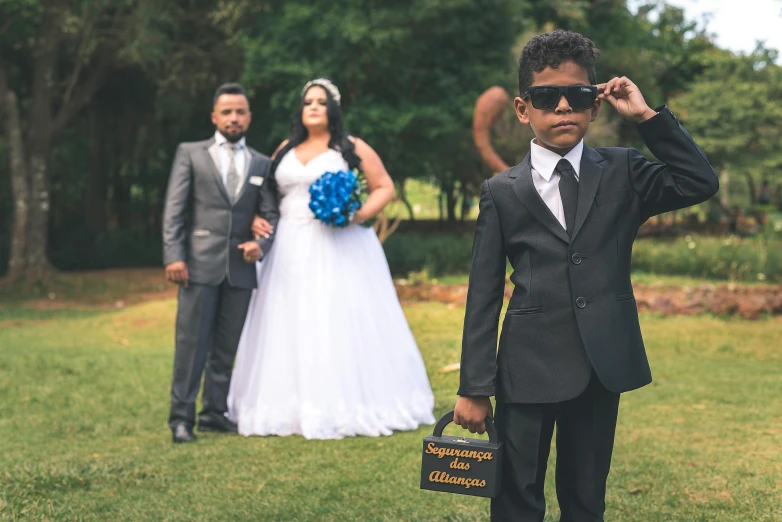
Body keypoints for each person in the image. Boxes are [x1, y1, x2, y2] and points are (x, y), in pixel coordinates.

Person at [453, 30, 719, 521]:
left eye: (576, 96)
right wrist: (474, 385)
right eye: (545, 97)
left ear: (594, 106)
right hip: (525, 369)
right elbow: (483, 294)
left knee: (585, 499)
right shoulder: (501, 191)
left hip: (601, 367)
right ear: (522, 108)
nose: (562, 108)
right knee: (516, 497)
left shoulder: (624, 172)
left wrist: (645, 117)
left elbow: (698, 181)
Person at [227, 78, 435, 439]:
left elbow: (384, 186)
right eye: (307, 102)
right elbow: (268, 197)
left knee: (334, 315)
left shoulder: (350, 147)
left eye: (321, 102)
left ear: (332, 109)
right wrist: (258, 220)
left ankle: (345, 401)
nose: (313, 107)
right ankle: (286, 405)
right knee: (285, 319)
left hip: (338, 246)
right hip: (288, 245)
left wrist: (354, 214)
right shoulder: (285, 148)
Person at [162, 83, 279, 443]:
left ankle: (214, 413)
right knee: (191, 345)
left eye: (240, 111)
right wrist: (174, 256)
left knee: (226, 348)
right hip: (197, 266)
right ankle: (181, 418)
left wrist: (261, 244)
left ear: (249, 117)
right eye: (226, 111)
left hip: (241, 271)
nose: (233, 117)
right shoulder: (191, 153)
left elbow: (270, 216)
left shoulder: (262, 163)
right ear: (214, 116)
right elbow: (174, 210)